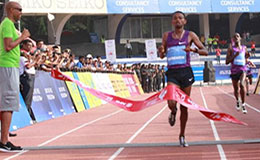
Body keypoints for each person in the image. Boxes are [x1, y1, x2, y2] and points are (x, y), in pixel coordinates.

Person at [158, 11, 208, 147]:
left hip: (186, 73)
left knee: (184, 107)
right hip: (172, 73)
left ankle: (182, 135)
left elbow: (205, 51)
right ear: (172, 22)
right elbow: (161, 55)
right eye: (175, 18)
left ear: (184, 21)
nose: (178, 20)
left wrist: (193, 50)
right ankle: (173, 112)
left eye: (180, 18)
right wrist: (161, 50)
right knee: (171, 103)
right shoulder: (166, 36)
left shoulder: (190, 35)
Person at [0, 1, 30, 152]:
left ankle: (4, 137)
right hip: (7, 66)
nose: (21, 12)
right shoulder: (6, 24)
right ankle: (4, 140)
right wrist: (23, 37)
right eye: (19, 9)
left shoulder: (9, 25)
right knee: (8, 103)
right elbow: (8, 46)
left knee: (7, 103)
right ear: (11, 10)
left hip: (10, 66)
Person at [226, 33, 249, 114]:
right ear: (233, 39)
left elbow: (246, 57)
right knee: (236, 89)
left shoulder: (244, 48)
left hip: (242, 69)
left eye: (238, 36)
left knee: (242, 84)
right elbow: (226, 62)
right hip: (234, 71)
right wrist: (234, 55)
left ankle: (243, 104)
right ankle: (237, 101)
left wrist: (248, 60)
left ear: (240, 38)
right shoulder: (231, 49)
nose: (236, 37)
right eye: (234, 36)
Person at [19, 40, 37, 123]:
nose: (30, 47)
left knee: (29, 99)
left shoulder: (27, 57)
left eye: (31, 46)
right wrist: (35, 61)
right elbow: (28, 66)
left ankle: (29, 116)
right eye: (28, 45)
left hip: (30, 77)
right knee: (26, 98)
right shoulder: (22, 57)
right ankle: (25, 118)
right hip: (26, 77)